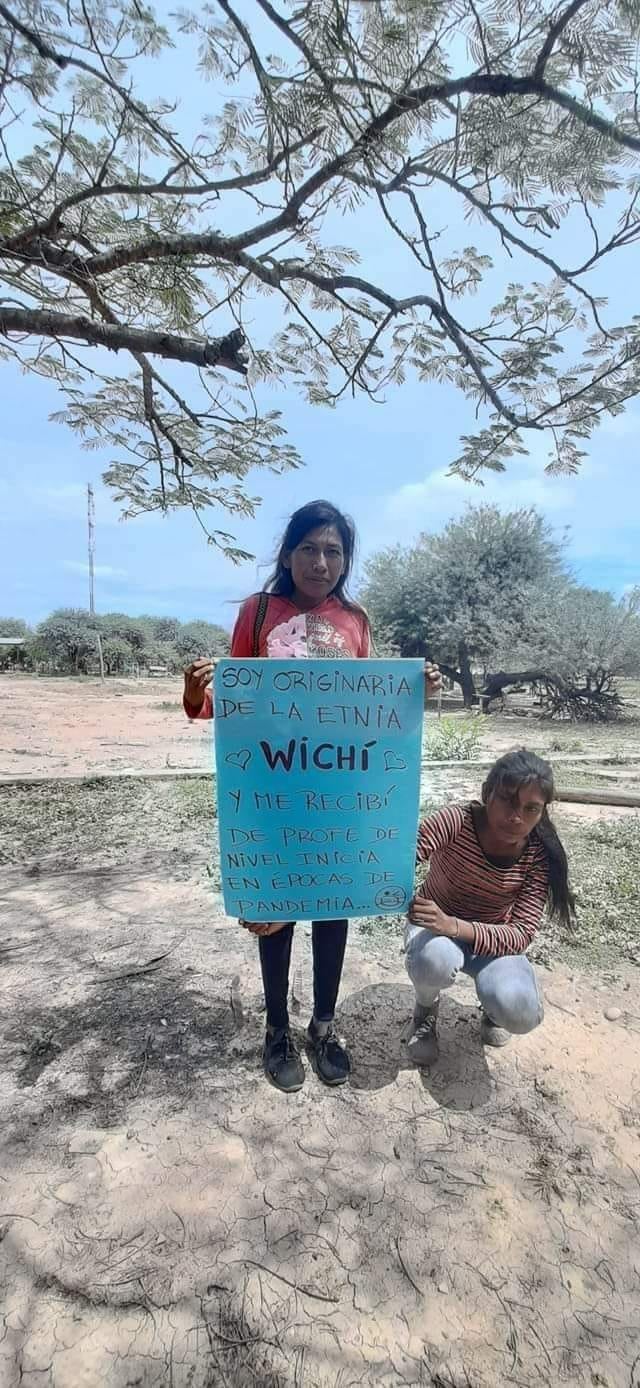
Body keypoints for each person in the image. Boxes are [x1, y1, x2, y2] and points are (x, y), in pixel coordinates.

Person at [183, 499, 441, 1093]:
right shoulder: (257, 613)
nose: (320, 562)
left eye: (333, 551)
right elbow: (238, 709)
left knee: (332, 903)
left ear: (344, 560)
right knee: (274, 912)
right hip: (273, 786)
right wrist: (196, 692)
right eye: (309, 548)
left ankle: (323, 1025)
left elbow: (369, 710)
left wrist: (415, 694)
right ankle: (277, 1029)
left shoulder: (355, 619)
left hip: (339, 788)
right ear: (288, 553)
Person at [405, 749, 574, 1066]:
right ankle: (425, 1011)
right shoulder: (456, 821)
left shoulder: (536, 854)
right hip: (434, 932)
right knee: (435, 959)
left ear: (541, 812)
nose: (517, 817)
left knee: (520, 1012)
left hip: (489, 939)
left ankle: (494, 1010)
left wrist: (455, 926)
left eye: (531, 809)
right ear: (486, 794)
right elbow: (400, 858)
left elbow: (521, 934)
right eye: (509, 801)